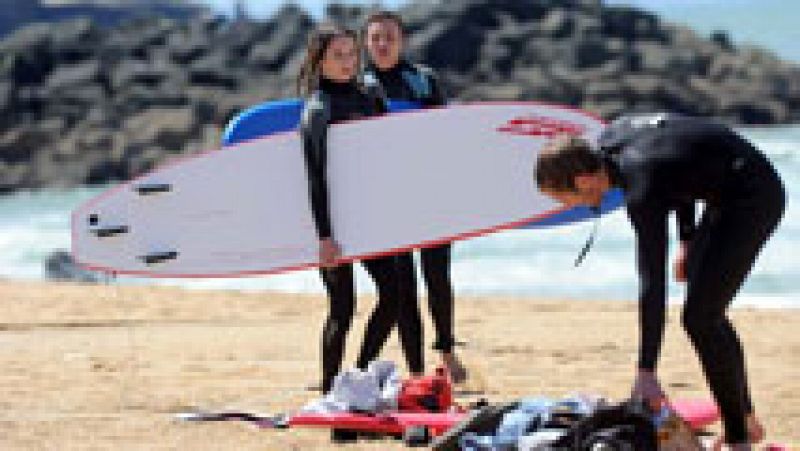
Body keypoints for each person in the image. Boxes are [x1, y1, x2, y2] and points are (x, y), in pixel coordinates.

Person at [534, 113, 785, 449]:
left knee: (701, 318)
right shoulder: (611, 143)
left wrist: (646, 371)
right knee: (707, 315)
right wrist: (687, 238)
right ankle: (746, 421)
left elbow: (652, 282)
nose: (565, 207)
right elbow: (679, 169)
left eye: (562, 199)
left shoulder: (640, 185)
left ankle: (740, 440)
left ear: (582, 181)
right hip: (723, 187)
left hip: (755, 196)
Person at [297, 23, 421, 393]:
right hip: (331, 223)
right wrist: (324, 237)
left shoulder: (371, 94)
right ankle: (329, 390)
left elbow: (385, 156)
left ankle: (360, 372)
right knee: (342, 309)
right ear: (319, 62)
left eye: (352, 53)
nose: (348, 62)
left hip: (368, 219)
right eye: (338, 55)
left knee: (394, 294)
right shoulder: (318, 110)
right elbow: (315, 179)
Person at [361, 10, 467, 383]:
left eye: (389, 36)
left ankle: (447, 351)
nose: (383, 44)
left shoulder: (423, 81)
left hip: (431, 193)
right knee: (404, 286)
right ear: (366, 43)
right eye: (375, 37)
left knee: (438, 278)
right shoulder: (360, 86)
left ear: (402, 40)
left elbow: (445, 135)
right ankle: (417, 368)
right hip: (390, 201)